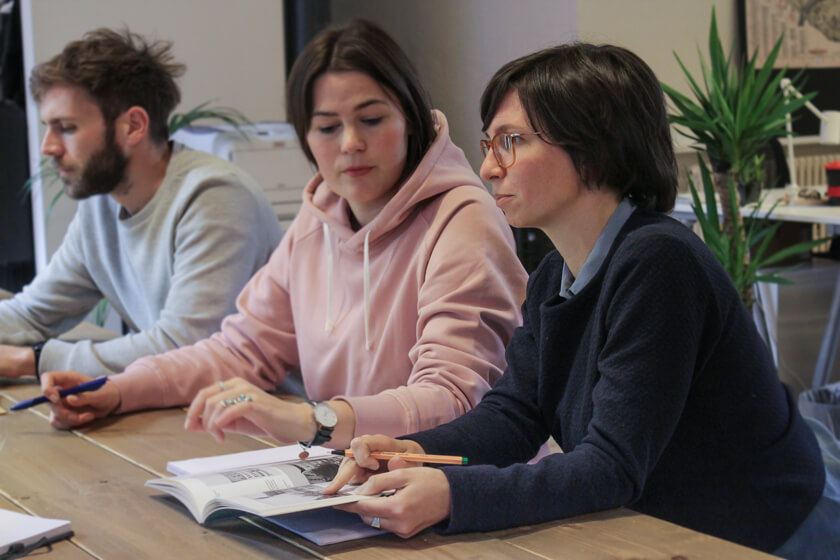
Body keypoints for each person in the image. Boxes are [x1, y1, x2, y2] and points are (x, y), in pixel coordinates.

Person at [325, 43, 832, 556]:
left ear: (594, 144)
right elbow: (516, 414)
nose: (489, 169)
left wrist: (454, 494)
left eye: (512, 142)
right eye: (489, 145)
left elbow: (611, 466)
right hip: (671, 529)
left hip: (766, 534)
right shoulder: (554, 274)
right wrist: (416, 452)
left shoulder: (659, 262)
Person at [43, 21, 527, 451]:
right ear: (305, 138)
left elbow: (456, 398)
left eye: (372, 119)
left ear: (410, 119)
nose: (351, 143)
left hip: (452, 488)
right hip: (342, 475)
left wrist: (312, 419)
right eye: (327, 127)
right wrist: (121, 389)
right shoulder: (318, 220)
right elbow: (241, 350)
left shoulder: (462, 219)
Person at [0, 29, 281, 380]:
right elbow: (32, 313)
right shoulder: (102, 205)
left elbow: (184, 347)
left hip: (262, 422)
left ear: (133, 126)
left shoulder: (215, 196)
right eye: (48, 128)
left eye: (66, 127)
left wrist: (33, 360)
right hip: (183, 408)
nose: (48, 147)